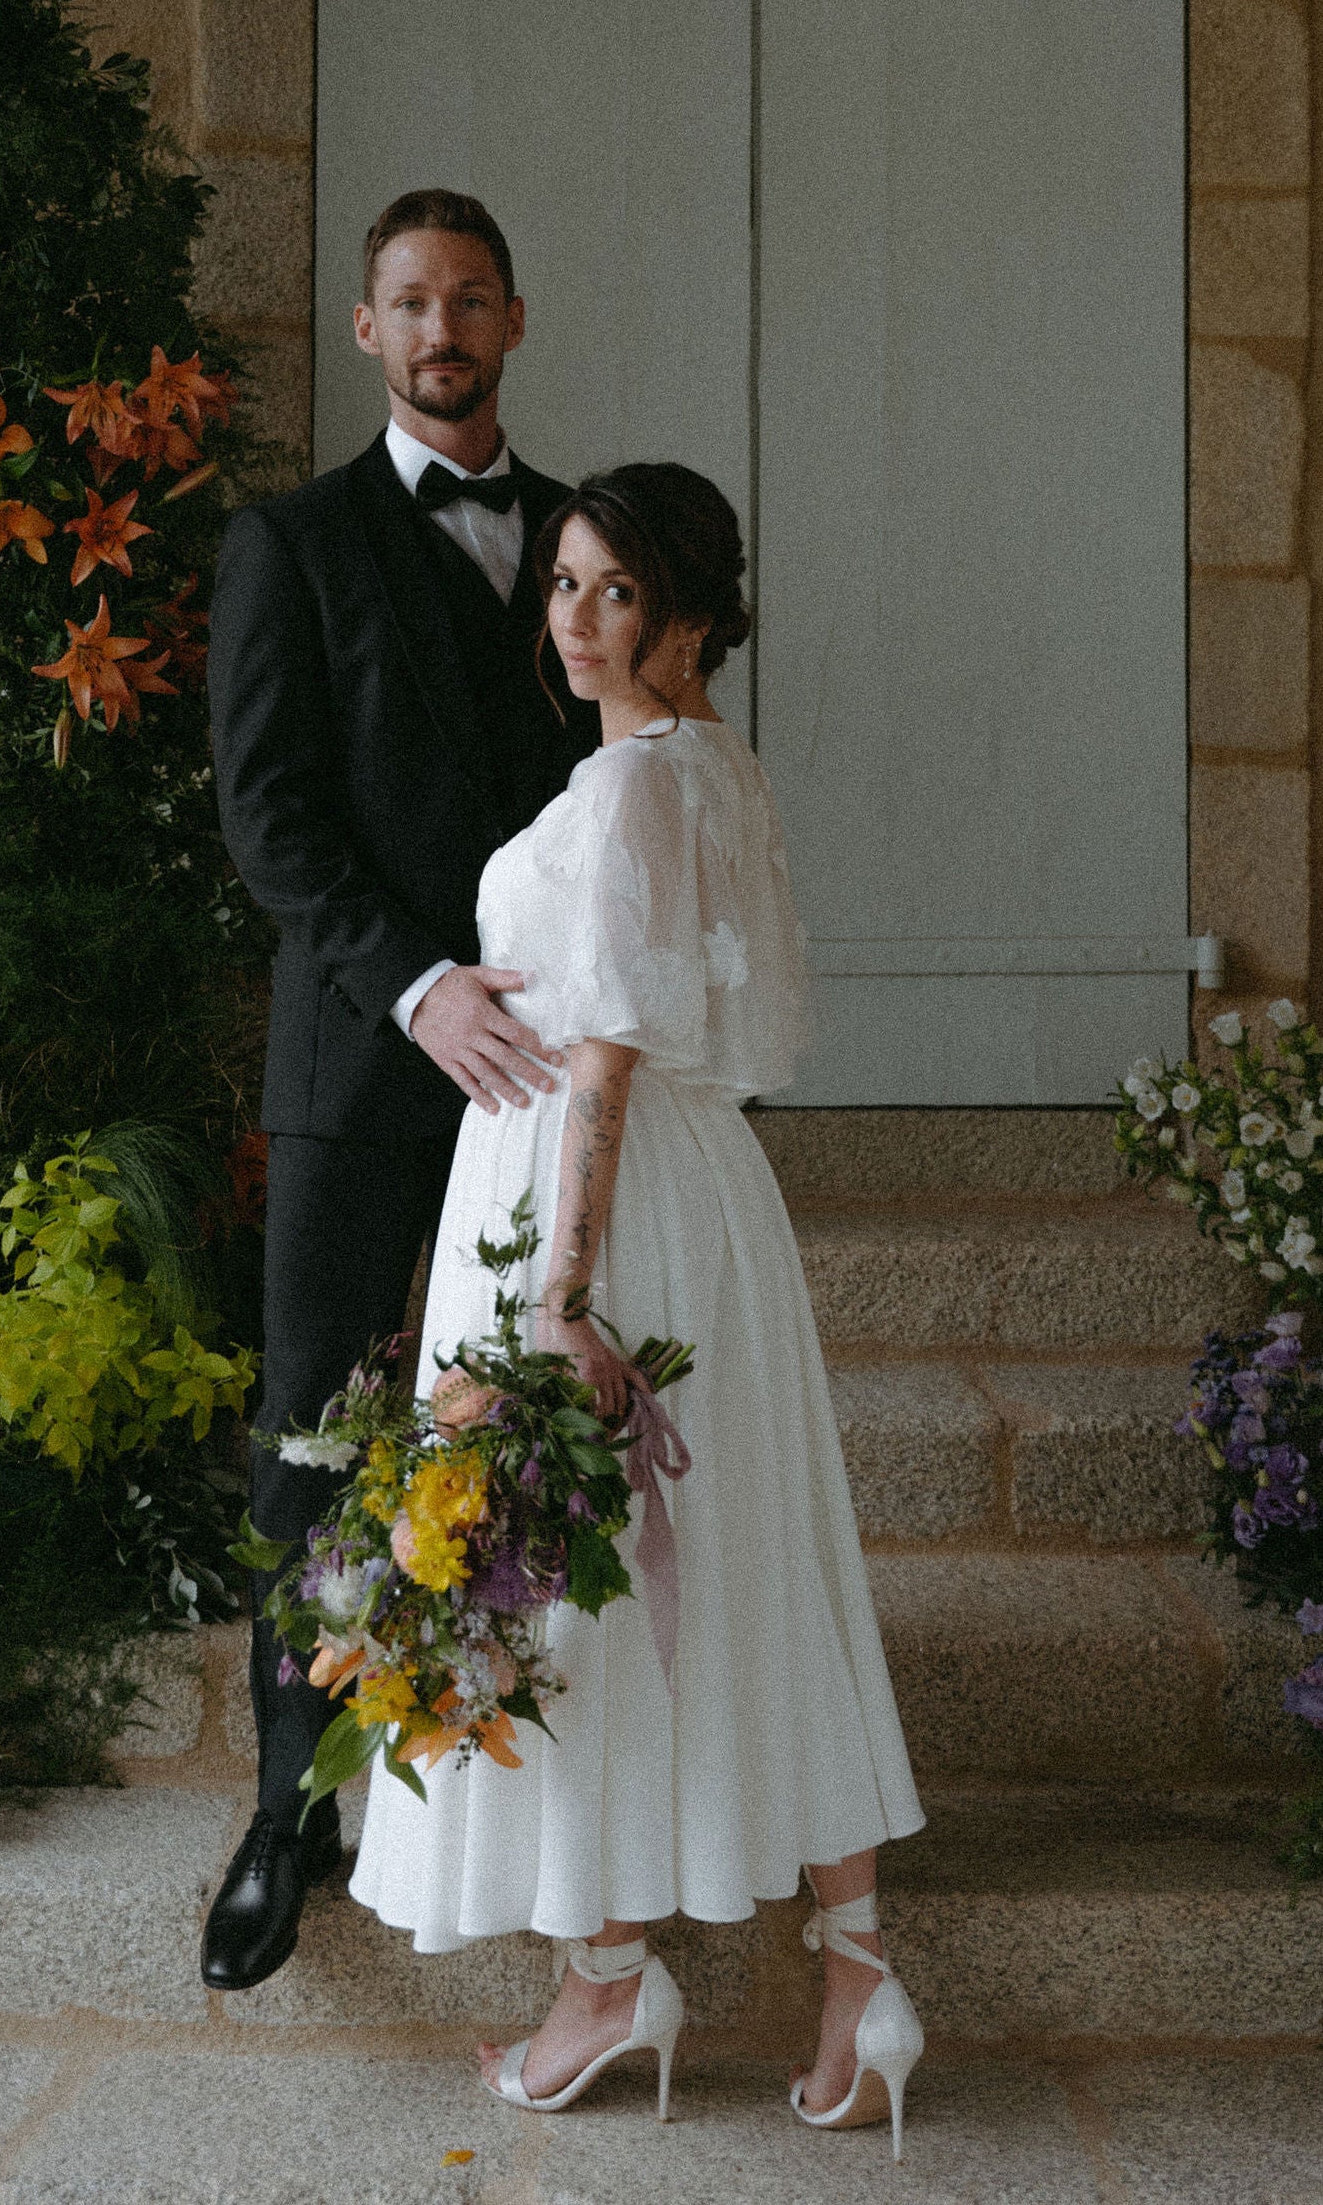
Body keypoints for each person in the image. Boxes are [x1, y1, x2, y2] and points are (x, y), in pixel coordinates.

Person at [349, 462, 927, 2152]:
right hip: (705, 1199)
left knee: (574, 1593)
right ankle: (858, 1979)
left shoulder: (626, 791)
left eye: (618, 592)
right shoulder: (713, 768)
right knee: (752, 1570)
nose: (579, 622)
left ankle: (607, 1981)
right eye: (564, 585)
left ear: (692, 613)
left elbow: (601, 1054)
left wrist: (562, 1294)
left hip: (598, 1215)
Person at [202, 188, 600, 1989]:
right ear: (369, 329)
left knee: (531, 1420)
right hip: (363, 1066)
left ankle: (546, 1803)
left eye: (471, 299)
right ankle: (289, 1810)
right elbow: (270, 820)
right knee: (315, 1436)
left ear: (512, 320)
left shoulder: (590, 541)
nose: (443, 329)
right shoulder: (289, 545)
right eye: (411, 302)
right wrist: (421, 986)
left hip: (550, 1075)